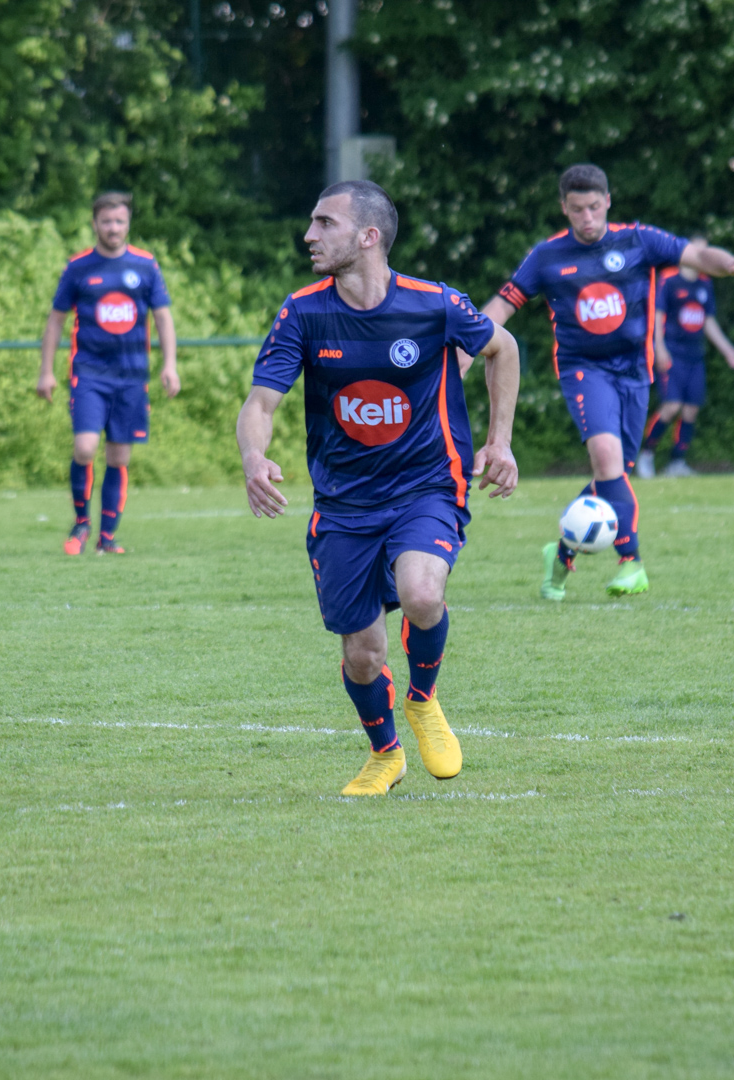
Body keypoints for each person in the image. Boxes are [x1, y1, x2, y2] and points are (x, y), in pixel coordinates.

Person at [237, 180, 521, 797]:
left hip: (427, 487)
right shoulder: (303, 312)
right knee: (363, 655)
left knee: (421, 592)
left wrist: (499, 442)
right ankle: (385, 754)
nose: (309, 235)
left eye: (325, 223)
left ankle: (422, 698)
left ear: (368, 237)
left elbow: (503, 349)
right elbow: (260, 403)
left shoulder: (434, 304)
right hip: (343, 505)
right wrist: (254, 457)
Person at [477, 164, 734, 602]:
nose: (587, 217)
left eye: (593, 207)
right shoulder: (547, 257)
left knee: (612, 475)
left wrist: (731, 264)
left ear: (607, 201)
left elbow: (699, 257)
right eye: (577, 209)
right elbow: (504, 304)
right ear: (564, 208)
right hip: (583, 370)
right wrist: (466, 342)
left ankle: (561, 555)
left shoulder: (639, 240)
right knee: (607, 460)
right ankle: (631, 562)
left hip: (635, 373)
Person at [36, 192, 179, 555]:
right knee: (85, 448)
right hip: (89, 374)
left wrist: (169, 365)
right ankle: (81, 523)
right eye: (106, 221)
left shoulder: (145, 266)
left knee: (119, 458)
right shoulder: (78, 267)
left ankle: (107, 538)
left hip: (131, 378)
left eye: (119, 221)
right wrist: (46, 371)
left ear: (128, 223)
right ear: (95, 224)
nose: (113, 228)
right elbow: (55, 321)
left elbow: (163, 317)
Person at [639, 255, 734, 478]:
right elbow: (657, 316)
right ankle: (646, 454)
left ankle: (677, 462)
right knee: (672, 406)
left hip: (695, 355)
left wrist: (729, 351)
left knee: (691, 410)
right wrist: (659, 348)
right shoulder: (669, 280)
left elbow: (708, 321)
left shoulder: (705, 283)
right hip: (672, 354)